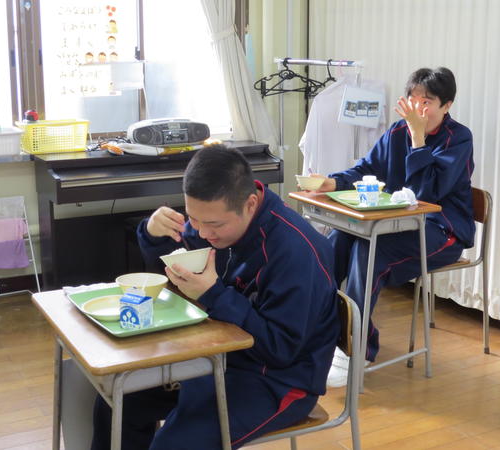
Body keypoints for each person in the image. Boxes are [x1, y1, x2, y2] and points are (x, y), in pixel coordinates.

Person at [91, 145, 340, 449]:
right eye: (193, 219)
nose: (201, 232)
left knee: (174, 445)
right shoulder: (213, 219)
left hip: (278, 380)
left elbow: (280, 349)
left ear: (250, 204)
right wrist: (153, 233)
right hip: (216, 357)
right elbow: (177, 263)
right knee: (119, 398)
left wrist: (214, 294)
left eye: (213, 225)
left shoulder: (297, 253)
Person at [310, 67, 475, 382]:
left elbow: (426, 194)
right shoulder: (398, 131)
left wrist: (418, 138)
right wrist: (332, 182)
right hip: (398, 224)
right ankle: (318, 329)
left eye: (426, 102)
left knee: (369, 251)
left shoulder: (459, 138)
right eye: (412, 99)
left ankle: (355, 348)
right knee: (339, 239)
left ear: (447, 105)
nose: (417, 108)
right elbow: (367, 168)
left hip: (442, 231)